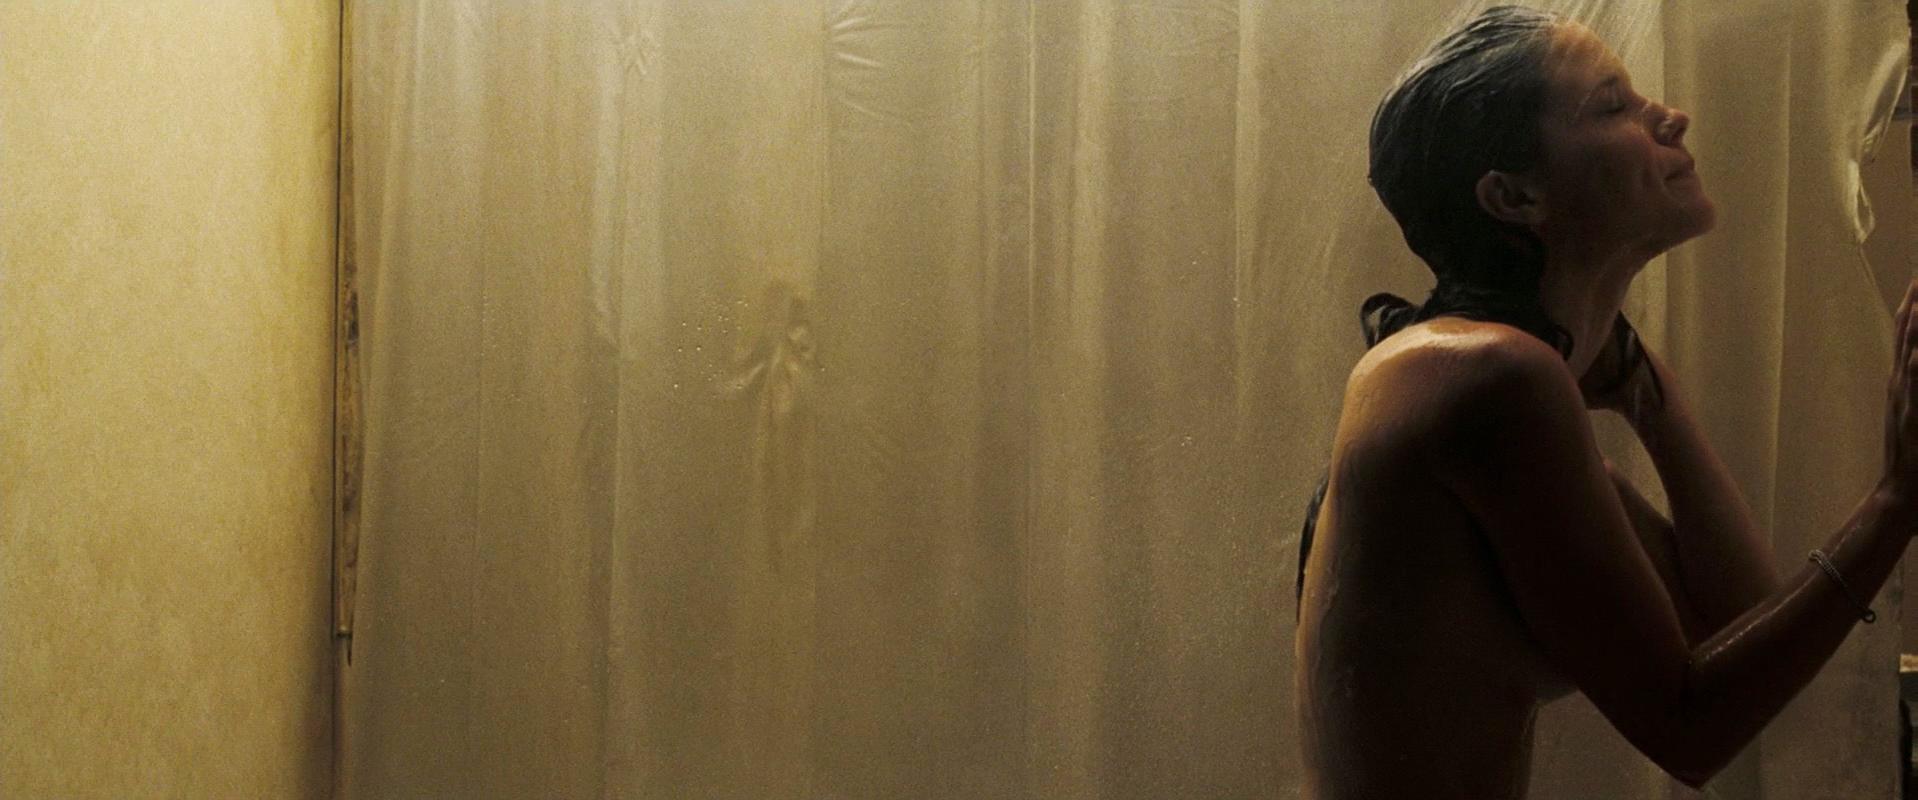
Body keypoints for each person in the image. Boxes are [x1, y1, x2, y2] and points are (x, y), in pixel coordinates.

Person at [1292, 6, 1918, 798]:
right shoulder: (1484, 377)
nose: (1671, 116)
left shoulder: (1474, 378)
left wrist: (1652, 401)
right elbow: (1693, 729)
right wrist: (1897, 500)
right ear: (1513, 196)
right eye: (1613, 105)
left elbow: (1743, 628)